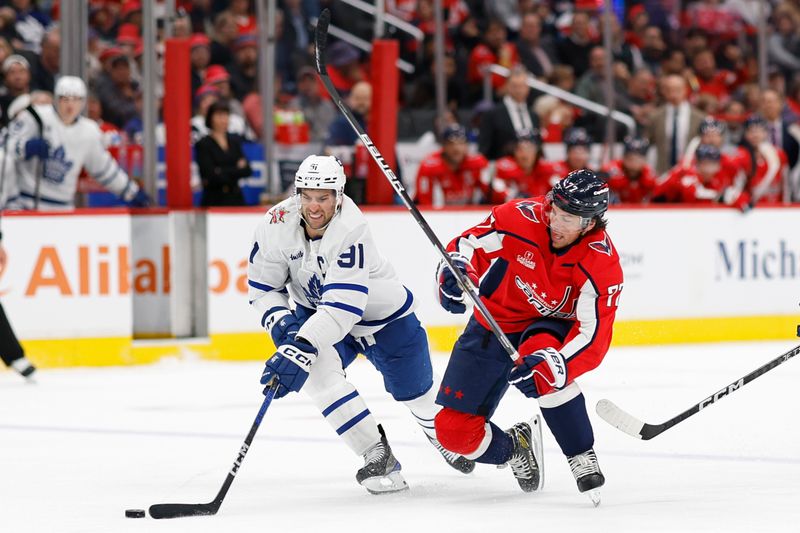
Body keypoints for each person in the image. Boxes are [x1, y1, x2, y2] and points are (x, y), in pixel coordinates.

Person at [247, 155, 474, 494]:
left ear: (338, 196)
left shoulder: (351, 227)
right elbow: (265, 288)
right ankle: (376, 453)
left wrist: (301, 345)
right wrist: (286, 331)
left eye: (323, 197)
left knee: (419, 398)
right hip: (318, 316)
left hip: (384, 321)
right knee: (316, 372)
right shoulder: (275, 223)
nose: (313, 206)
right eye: (306, 195)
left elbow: (342, 307)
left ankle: (454, 438)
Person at [433, 169, 623, 505]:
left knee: (546, 362)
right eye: (555, 211)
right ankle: (516, 449)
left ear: (591, 223)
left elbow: (593, 338)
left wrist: (556, 365)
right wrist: (455, 271)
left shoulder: (602, 264)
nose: (555, 223)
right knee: (453, 432)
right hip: (494, 319)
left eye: (568, 219)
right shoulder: (518, 217)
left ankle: (580, 453)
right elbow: (468, 245)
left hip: (549, 326)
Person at [5, 76, 149, 210]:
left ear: (83, 102)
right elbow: (4, 145)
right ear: (56, 98)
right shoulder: (35, 116)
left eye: (76, 99)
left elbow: (104, 169)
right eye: (65, 99)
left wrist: (130, 191)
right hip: (24, 204)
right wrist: (24, 147)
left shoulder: (89, 131)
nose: (70, 105)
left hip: (63, 207)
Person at [414, 124, 490, 207]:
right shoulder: (429, 166)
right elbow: (425, 203)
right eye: (451, 143)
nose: (456, 148)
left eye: (461, 143)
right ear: (444, 145)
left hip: (469, 215)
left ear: (467, 145)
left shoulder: (478, 164)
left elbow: (490, 195)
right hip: (437, 216)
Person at [195, 100, 252, 207]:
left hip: (236, 199)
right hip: (215, 199)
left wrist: (221, 170)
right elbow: (210, 175)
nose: (224, 119)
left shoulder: (234, 141)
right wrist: (236, 169)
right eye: (220, 115)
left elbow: (247, 170)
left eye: (226, 115)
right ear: (211, 118)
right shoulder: (204, 144)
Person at [602, 137, 657, 204]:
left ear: (644, 160)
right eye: (630, 159)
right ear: (623, 158)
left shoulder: (650, 176)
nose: (633, 164)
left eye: (638, 160)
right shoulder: (611, 172)